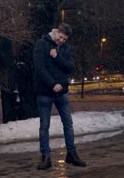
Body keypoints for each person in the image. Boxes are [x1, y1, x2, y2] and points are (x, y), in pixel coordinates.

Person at [33, 23, 86, 170]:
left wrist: (57, 57)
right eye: (60, 37)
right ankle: (46, 157)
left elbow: (70, 67)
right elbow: (39, 68)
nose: (62, 41)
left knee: (68, 124)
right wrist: (52, 84)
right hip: (45, 93)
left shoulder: (66, 49)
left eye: (64, 39)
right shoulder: (41, 44)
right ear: (56, 32)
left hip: (62, 93)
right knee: (44, 126)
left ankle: (71, 154)